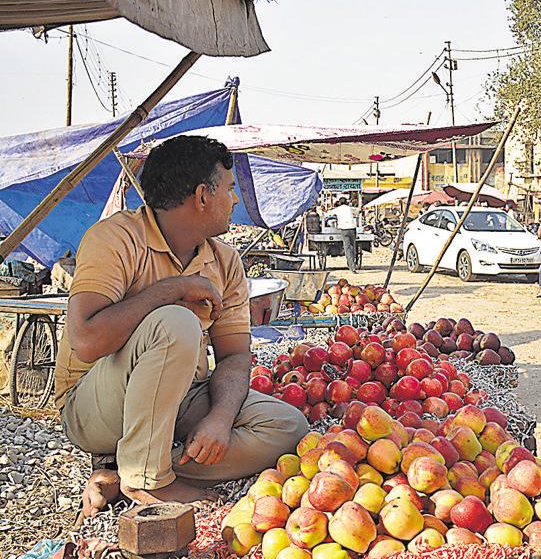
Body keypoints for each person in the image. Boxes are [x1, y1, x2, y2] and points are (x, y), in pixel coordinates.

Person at [55, 136, 308, 516]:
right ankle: (148, 479)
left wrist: (220, 419)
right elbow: (86, 341)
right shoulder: (115, 238)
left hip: (179, 397)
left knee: (286, 427)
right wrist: (171, 290)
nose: (234, 200)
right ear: (203, 195)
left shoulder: (225, 261)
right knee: (176, 321)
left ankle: (123, 473)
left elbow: (235, 356)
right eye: (229, 189)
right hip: (95, 405)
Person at [327, 196, 359, 272]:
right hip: (352, 229)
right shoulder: (350, 208)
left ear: (339, 203)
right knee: (352, 247)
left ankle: (352, 266)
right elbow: (358, 211)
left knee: (347, 248)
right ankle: (352, 263)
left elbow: (328, 213)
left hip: (344, 230)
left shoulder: (338, 209)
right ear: (346, 202)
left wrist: (324, 210)